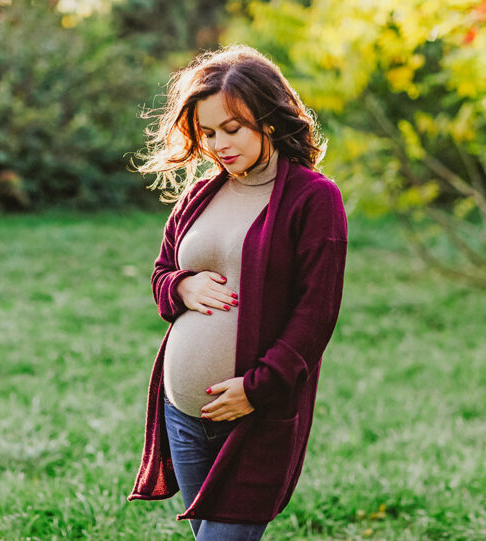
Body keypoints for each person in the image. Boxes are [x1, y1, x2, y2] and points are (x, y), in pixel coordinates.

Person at [127, 45, 348, 540]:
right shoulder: (200, 195)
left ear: (269, 120)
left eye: (233, 128)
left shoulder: (313, 199)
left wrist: (256, 388)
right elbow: (161, 274)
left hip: (254, 415)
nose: (218, 144)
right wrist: (181, 285)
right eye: (206, 133)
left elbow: (316, 313)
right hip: (181, 411)